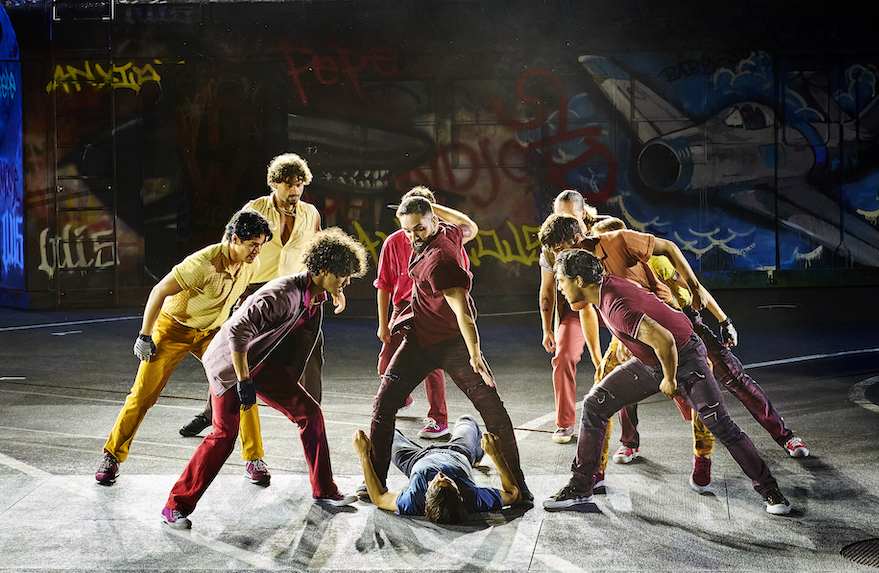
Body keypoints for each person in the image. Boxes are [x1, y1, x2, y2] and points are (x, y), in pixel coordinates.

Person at [538, 207, 810, 492]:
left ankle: (770, 440)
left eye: (558, 249)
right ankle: (603, 467)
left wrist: (719, 316)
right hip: (634, 331)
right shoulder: (577, 271)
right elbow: (587, 311)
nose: (556, 259)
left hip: (676, 326)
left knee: (729, 381)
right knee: (603, 390)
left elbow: (676, 268)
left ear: (576, 237)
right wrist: (597, 356)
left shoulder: (619, 242)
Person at [161, 228, 368, 529]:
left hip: (261, 363)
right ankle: (175, 506)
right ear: (323, 270)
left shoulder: (314, 292)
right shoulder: (282, 294)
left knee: (310, 414)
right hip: (231, 366)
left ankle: (324, 490)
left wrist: (335, 289)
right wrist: (244, 380)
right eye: (343, 276)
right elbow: (237, 331)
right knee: (224, 435)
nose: (347, 282)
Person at [179, 152, 337, 487]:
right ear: (274, 184)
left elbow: (319, 251)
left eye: (300, 184)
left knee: (314, 353)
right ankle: (210, 412)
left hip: (295, 295)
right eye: (289, 184)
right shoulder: (256, 209)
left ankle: (312, 414)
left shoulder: (310, 213)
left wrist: (330, 287)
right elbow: (231, 243)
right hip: (256, 291)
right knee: (235, 354)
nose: (295, 190)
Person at [366, 195, 532, 504]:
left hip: (453, 344)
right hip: (419, 339)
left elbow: (463, 312)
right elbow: (467, 224)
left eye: (419, 228)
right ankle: (373, 482)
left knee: (492, 410)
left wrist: (474, 354)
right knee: (383, 404)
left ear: (433, 222)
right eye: (407, 230)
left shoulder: (440, 261)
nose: (413, 237)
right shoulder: (449, 231)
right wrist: (426, 207)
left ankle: (518, 486)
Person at [96, 209, 272, 486]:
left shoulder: (251, 264)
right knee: (142, 395)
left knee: (242, 385)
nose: (257, 251)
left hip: (211, 332)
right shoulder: (202, 263)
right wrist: (145, 335)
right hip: (173, 329)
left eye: (261, 245)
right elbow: (159, 291)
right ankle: (112, 457)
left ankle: (254, 458)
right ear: (235, 239)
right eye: (253, 244)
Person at [375, 186, 457, 438]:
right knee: (386, 364)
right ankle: (404, 397)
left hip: (430, 307)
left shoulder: (445, 241)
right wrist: (383, 323)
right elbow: (384, 284)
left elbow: (458, 275)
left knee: (432, 364)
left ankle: (438, 419)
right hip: (402, 307)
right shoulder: (393, 242)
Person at [353, 415, 520, 523]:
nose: (440, 475)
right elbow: (514, 495)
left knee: (383, 435)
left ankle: (373, 475)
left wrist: (363, 455)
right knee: (466, 420)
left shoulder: (413, 501)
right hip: (458, 451)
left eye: (435, 482)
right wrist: (496, 455)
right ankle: (477, 453)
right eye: (448, 481)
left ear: (425, 497)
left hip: (415, 459)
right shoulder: (473, 497)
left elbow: (378, 498)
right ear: (460, 496)